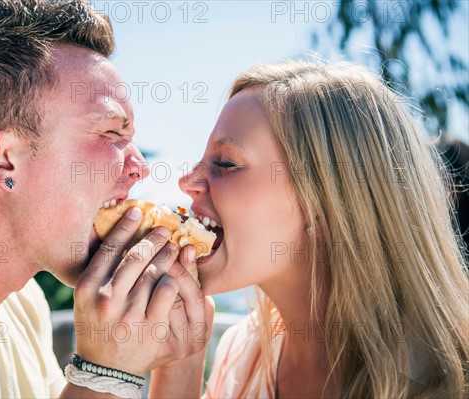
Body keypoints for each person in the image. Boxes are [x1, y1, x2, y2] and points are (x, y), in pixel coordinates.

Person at [0, 1, 211, 398]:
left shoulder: (18, 306)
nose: (139, 168)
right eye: (110, 135)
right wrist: (104, 373)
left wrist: (176, 354)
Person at [172, 60, 469, 398]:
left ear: (325, 206)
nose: (187, 181)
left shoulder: (445, 382)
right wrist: (179, 365)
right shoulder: (241, 353)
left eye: (226, 163)